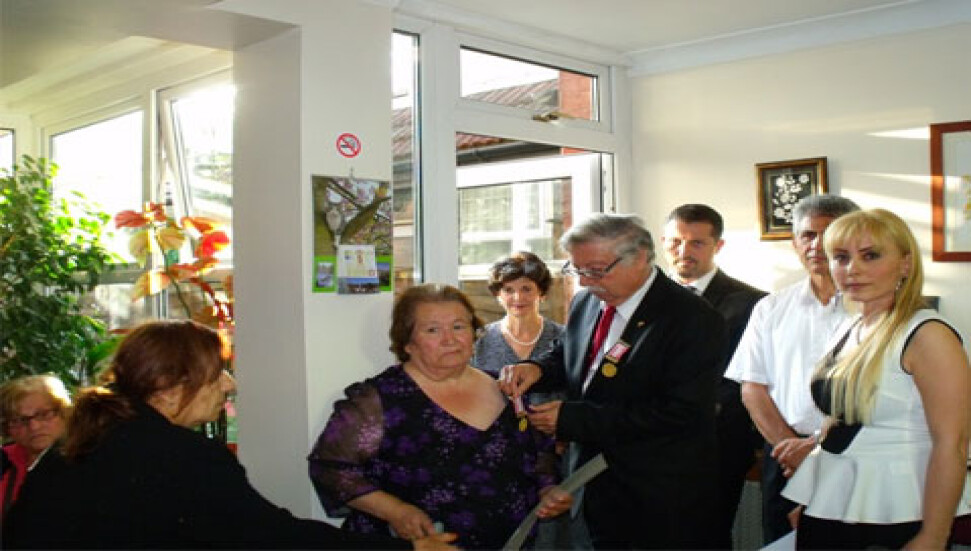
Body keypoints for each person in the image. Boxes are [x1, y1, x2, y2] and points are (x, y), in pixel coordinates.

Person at [2, 320, 455, 550]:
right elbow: (276, 538)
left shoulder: (82, 439)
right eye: (217, 372)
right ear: (169, 386)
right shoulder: (182, 457)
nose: (229, 384)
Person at [499, 212, 728, 549]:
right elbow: (570, 353)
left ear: (640, 257)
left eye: (595, 270)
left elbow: (681, 412)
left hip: (659, 496)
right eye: (577, 270)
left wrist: (572, 418)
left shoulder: (692, 318)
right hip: (594, 487)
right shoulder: (587, 301)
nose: (585, 281)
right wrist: (537, 368)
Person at [308, 284, 571, 550]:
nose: (450, 339)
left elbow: (539, 456)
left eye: (459, 327)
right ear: (407, 342)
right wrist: (396, 511)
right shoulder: (378, 400)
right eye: (433, 330)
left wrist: (548, 490)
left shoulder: (506, 388)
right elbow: (330, 469)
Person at [783, 208, 971, 549]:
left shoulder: (928, 335)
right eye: (841, 257)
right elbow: (846, 418)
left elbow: (953, 444)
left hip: (898, 510)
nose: (852, 269)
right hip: (833, 504)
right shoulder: (852, 325)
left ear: (905, 264)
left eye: (870, 256)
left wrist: (933, 536)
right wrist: (816, 490)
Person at [725, 193, 860, 545]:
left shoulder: (875, 308)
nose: (816, 245)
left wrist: (815, 449)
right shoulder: (770, 308)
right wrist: (791, 447)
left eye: (828, 234)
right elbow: (752, 387)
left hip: (855, 457)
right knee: (782, 541)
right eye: (808, 235)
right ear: (795, 243)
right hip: (784, 457)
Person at [662, 203, 767, 549]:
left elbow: (746, 379)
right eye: (676, 241)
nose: (684, 251)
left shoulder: (752, 304)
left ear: (717, 246)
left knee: (707, 537)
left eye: (697, 243)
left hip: (717, 446)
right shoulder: (645, 300)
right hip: (650, 445)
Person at [471, 251, 576, 550]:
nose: (518, 297)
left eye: (527, 288)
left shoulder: (566, 339)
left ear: (541, 293)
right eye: (509, 289)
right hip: (498, 461)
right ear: (498, 295)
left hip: (557, 460)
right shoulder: (478, 342)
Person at [0, 375, 71, 518]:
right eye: (20, 420)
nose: (34, 426)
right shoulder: (4, 462)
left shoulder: (91, 458)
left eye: (44, 414)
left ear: (65, 413)